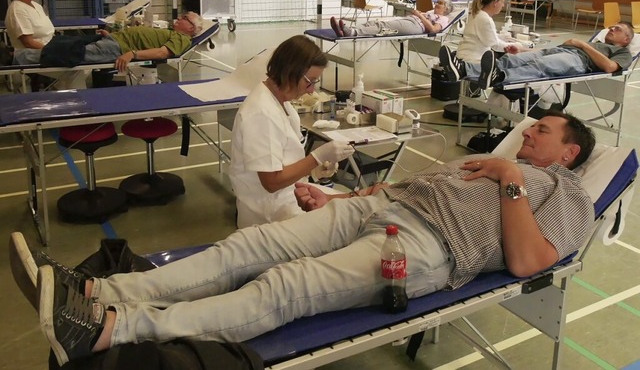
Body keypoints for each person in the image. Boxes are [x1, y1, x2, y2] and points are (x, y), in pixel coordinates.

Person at [10, 111, 597, 366]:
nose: (528, 135)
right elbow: (403, 188)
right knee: (243, 248)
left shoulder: (565, 194)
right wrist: (339, 198)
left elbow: (526, 262)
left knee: (284, 286)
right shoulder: (487, 161)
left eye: (541, 132)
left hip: (426, 250)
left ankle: (114, 330)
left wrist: (513, 178)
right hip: (382, 207)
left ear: (569, 153)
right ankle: (103, 287)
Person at [230, 35, 355, 228]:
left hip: (291, 197)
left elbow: (285, 160)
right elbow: (271, 182)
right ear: (290, 72)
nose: (312, 90)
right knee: (349, 219)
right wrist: (317, 157)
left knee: (352, 206)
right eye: (310, 81)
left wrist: (314, 170)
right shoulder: (261, 113)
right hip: (270, 216)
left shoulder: (281, 103)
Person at [440, 21, 634, 90]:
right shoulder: (597, 44)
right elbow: (546, 52)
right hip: (559, 51)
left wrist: (581, 44)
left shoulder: (622, 52)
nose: (612, 28)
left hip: (578, 61)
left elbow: (610, 67)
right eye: (612, 26)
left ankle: (499, 78)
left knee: (540, 66)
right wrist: (523, 50)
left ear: (626, 39)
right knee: (509, 59)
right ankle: (463, 69)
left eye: (618, 29)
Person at [7, 10, 204, 72]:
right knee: (64, 43)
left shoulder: (182, 39)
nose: (180, 18)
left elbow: (162, 53)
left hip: (118, 48)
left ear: (191, 28)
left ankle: (13, 58)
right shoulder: (170, 30)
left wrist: (132, 54)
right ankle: (13, 55)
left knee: (66, 54)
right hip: (113, 40)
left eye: (185, 18)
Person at [3, 0, 87, 89]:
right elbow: (28, 42)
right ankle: (76, 102)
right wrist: (55, 50)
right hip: (32, 55)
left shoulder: (36, 6)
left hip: (48, 49)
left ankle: (60, 93)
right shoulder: (17, 10)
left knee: (83, 57)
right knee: (75, 69)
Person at [329, 0, 455, 37]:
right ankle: (348, 30)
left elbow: (433, 30)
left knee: (383, 27)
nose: (436, 4)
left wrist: (420, 16)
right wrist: (420, 14)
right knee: (374, 21)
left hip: (417, 27)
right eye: (437, 2)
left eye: (440, 3)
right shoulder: (430, 11)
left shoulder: (444, 19)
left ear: (446, 9)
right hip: (411, 21)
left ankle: (352, 32)